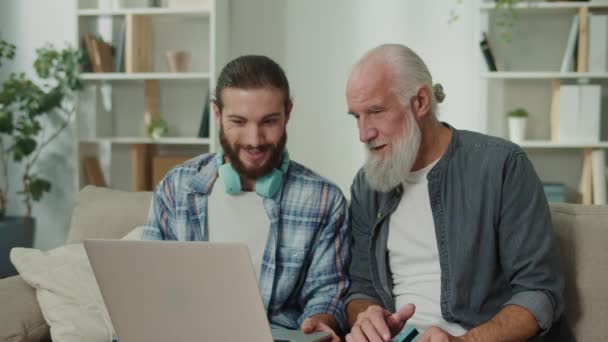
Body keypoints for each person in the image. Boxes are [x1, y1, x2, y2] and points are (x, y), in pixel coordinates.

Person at [343, 44, 572, 342]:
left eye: (375, 112)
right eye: (356, 117)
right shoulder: (367, 185)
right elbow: (361, 287)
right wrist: (366, 316)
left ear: (421, 101)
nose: (364, 134)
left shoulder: (501, 166)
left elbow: (539, 292)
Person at [143, 55, 349, 341]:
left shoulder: (324, 200)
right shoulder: (175, 188)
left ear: (288, 113)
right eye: (238, 121)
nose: (254, 140)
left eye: (269, 121)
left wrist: (321, 321)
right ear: (217, 114)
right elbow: (147, 284)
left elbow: (326, 293)